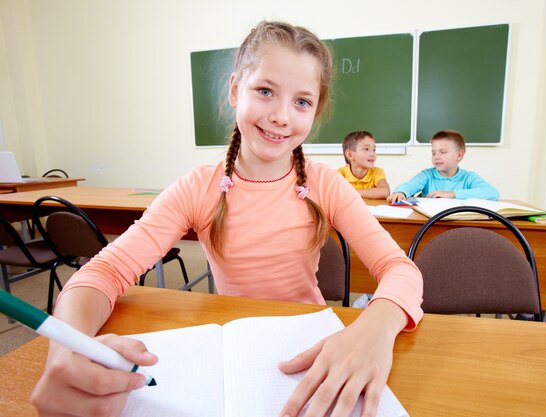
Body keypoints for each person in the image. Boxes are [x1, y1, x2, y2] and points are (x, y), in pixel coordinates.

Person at [30, 21, 423, 417]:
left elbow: (399, 269)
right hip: (230, 352)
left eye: (301, 102)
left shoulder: (325, 185)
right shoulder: (198, 187)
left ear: (315, 112)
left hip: (309, 345)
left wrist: (376, 327)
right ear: (236, 89)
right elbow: (102, 273)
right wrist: (68, 350)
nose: (282, 116)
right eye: (265, 91)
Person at [387, 129, 499, 203]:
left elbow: (493, 193)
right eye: (433, 153)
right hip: (430, 224)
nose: (436, 157)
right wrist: (401, 192)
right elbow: (410, 185)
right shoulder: (427, 175)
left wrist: (452, 194)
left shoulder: (469, 177)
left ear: (459, 155)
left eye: (443, 152)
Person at [337, 130, 390, 199]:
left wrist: (353, 193)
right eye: (366, 149)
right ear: (350, 154)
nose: (372, 154)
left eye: (374, 149)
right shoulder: (340, 174)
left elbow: (385, 192)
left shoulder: (376, 172)